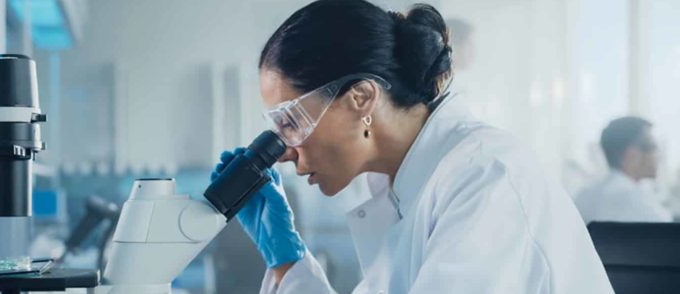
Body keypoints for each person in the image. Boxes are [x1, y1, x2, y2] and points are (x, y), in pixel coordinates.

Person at [210, 1, 613, 293]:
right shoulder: (404, 189)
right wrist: (286, 261)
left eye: (292, 121)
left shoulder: (484, 176)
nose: (283, 152)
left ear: (361, 97)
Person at [574, 117, 673, 223]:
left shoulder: (583, 197)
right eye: (653, 147)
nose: (658, 156)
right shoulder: (638, 203)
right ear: (632, 155)